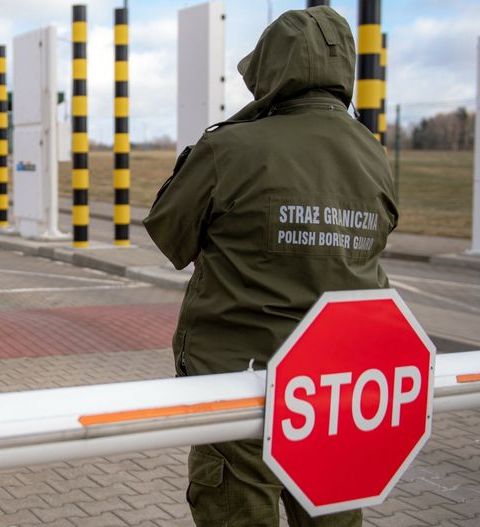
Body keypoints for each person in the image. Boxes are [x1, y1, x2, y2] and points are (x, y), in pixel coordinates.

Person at [144, 6, 397, 527]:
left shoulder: (229, 148)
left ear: (270, 70)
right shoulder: (374, 157)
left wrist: (232, 133)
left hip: (242, 387)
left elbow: (170, 235)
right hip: (335, 394)